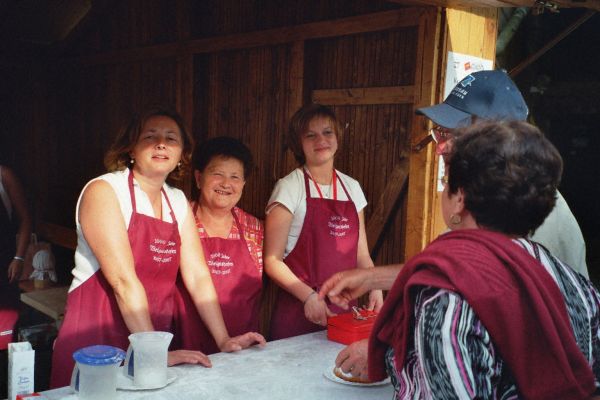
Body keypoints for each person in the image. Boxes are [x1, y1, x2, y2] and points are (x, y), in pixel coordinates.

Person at [322, 121, 600, 399]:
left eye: (445, 182)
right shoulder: (579, 287)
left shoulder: (448, 298)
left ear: (459, 200)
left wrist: (390, 360)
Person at [50, 107, 265, 388]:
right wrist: (153, 353)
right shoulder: (104, 190)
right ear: (130, 148)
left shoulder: (176, 201)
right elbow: (123, 281)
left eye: (171, 138)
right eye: (150, 136)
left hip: (150, 338)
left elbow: (199, 277)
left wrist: (223, 339)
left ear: (180, 155)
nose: (161, 143)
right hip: (96, 342)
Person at [418, 69, 588, 278]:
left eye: (453, 134)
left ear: (497, 141)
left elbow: (468, 281)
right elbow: (446, 269)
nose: (439, 147)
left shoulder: (529, 212)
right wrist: (372, 278)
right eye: (439, 132)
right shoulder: (486, 193)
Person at [264, 104, 383, 340]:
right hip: (299, 311)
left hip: (345, 310)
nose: (321, 140)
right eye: (311, 135)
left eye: (328, 132)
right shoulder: (289, 187)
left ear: (337, 137)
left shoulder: (352, 188)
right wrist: (308, 297)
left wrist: (375, 285)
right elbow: (272, 261)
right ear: (299, 144)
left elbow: (362, 255)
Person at [173, 136, 263, 355]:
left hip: (242, 349)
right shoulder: (178, 221)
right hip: (186, 348)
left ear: (243, 184)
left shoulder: (255, 229)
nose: (226, 184)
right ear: (198, 178)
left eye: (234, 177)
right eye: (217, 174)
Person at [0, 164, 31, 348]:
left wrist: (19, 258)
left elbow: (26, 219)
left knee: (5, 327)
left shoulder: (4, 176)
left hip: (4, 263)